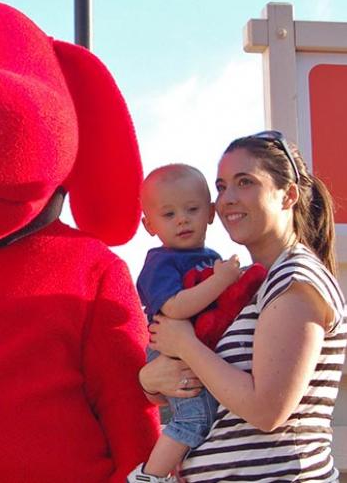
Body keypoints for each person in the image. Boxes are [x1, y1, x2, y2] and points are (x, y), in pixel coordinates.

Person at [140, 131, 347, 481]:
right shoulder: (248, 286)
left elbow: (267, 409)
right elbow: (206, 385)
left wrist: (185, 345)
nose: (227, 199)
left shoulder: (295, 280)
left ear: (288, 195)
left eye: (245, 182)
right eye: (221, 187)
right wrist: (149, 378)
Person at [128, 164, 242, 483]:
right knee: (193, 419)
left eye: (191, 209)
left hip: (199, 353)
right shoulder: (159, 263)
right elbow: (175, 308)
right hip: (170, 354)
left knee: (209, 418)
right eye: (168, 214)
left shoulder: (213, 256)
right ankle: (149, 477)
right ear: (148, 225)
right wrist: (221, 282)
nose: (182, 219)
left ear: (209, 212)